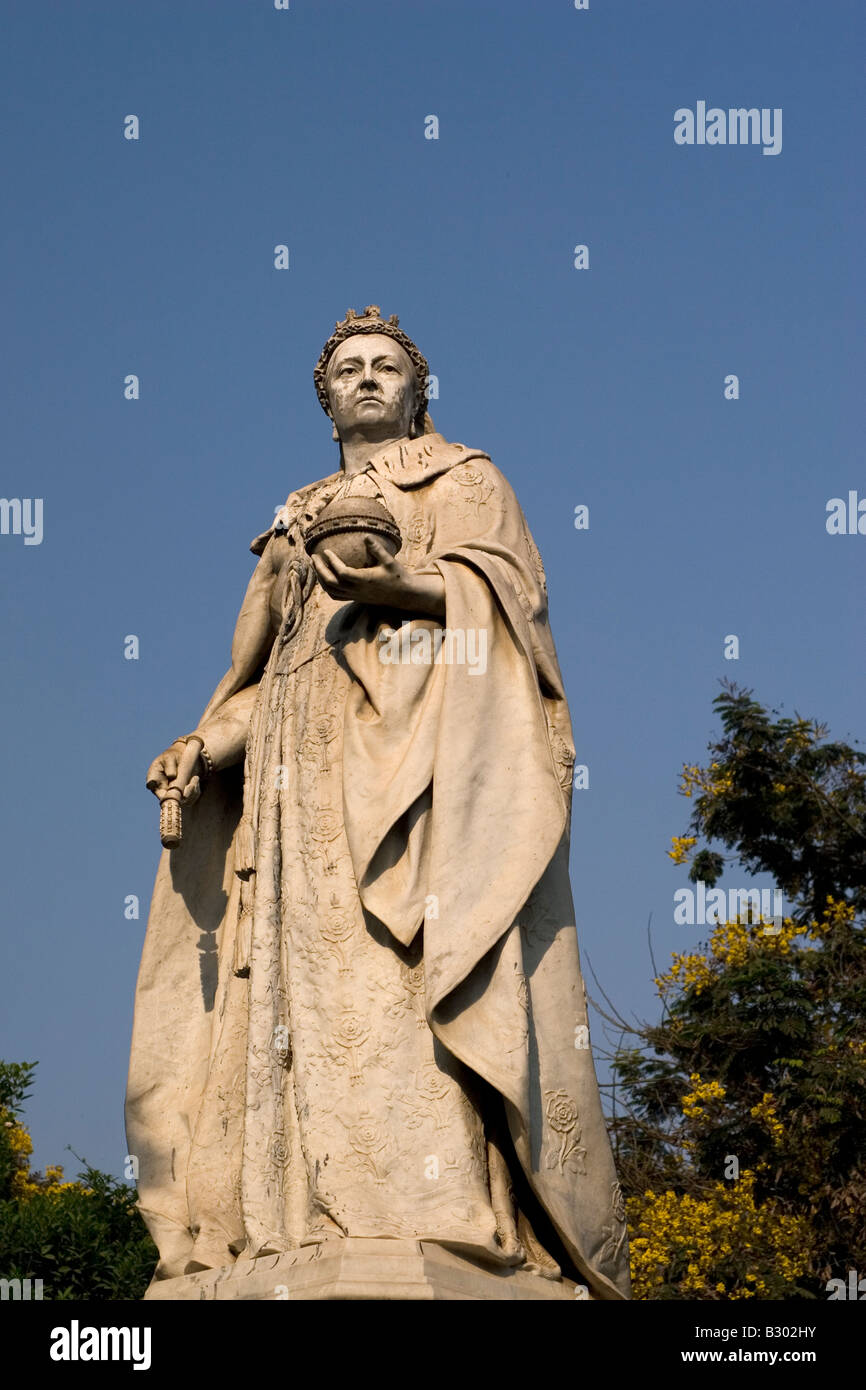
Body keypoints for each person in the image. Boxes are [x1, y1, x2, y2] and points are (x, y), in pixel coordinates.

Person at [127, 305, 630, 1299]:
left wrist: (402, 581)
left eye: (386, 366)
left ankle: (426, 1213)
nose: (366, 379)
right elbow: (261, 671)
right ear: (325, 400)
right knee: (295, 1000)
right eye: (348, 368)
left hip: (413, 774)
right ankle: (295, 1219)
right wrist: (200, 744)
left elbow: (510, 604)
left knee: (401, 982)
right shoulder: (293, 518)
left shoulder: (464, 478)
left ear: (416, 388)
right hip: (290, 780)